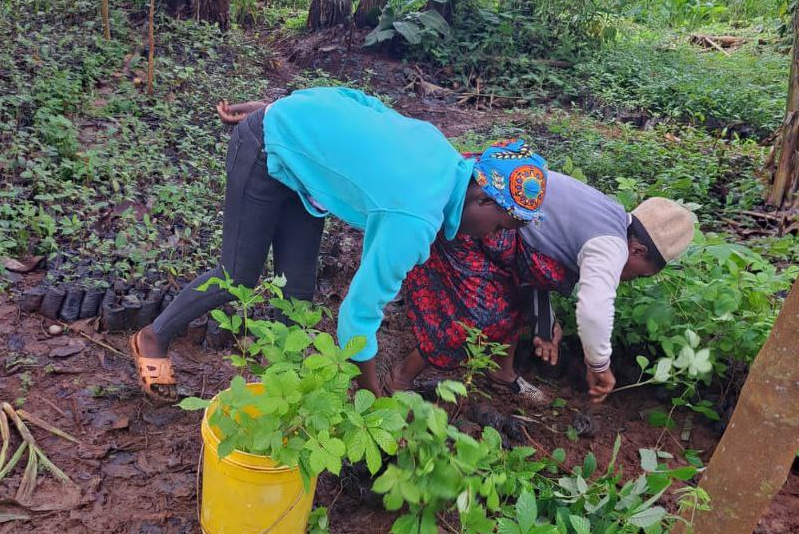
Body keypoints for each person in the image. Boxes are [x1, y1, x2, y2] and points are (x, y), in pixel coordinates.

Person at [129, 87, 548, 399]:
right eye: (500, 226)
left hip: (304, 179)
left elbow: (363, 105)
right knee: (238, 273)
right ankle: (154, 335)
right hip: (264, 148)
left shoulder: (444, 155)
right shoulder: (416, 218)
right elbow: (358, 316)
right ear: (482, 198)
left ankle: (280, 385)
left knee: (296, 293)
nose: (493, 237)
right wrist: (369, 397)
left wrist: (289, 112)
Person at [396, 170, 694, 405]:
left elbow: (531, 262)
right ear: (638, 250)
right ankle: (400, 378)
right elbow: (593, 312)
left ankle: (502, 372)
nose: (630, 280)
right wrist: (599, 365)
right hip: (469, 215)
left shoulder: (610, 216)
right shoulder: (610, 245)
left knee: (512, 301)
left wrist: (544, 321)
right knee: (477, 315)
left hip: (490, 218)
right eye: (640, 275)